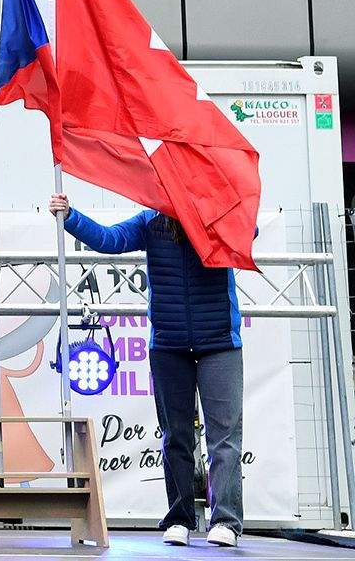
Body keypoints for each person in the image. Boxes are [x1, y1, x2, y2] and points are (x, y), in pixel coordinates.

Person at [52, 194, 243, 547]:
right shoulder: (150, 221)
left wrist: (214, 210)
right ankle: (180, 519)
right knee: (176, 437)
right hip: (169, 346)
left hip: (220, 342)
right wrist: (70, 215)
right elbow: (110, 240)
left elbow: (249, 232)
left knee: (224, 438)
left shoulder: (216, 216)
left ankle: (226, 522)